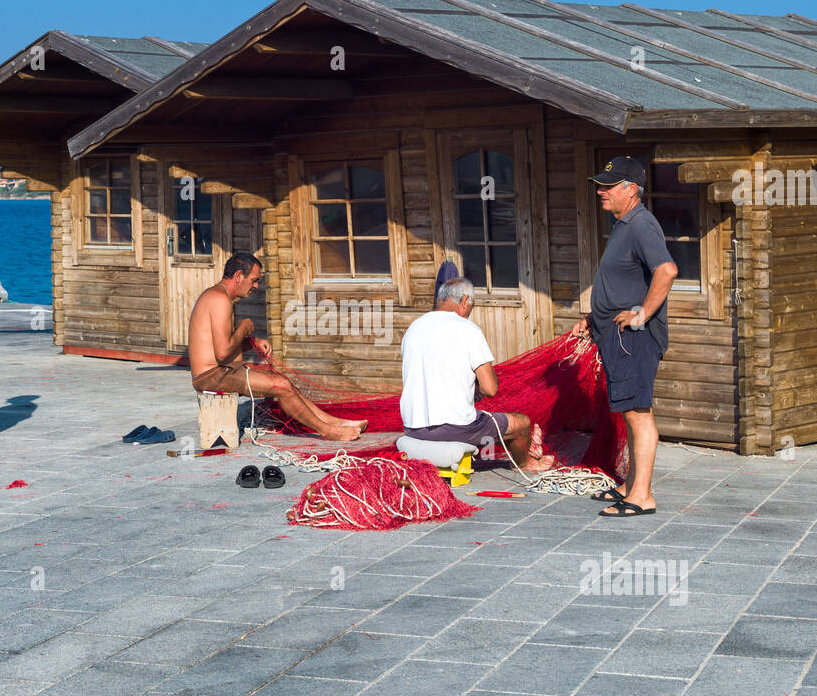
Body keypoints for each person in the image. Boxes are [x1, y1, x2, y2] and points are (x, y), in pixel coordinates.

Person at [574, 156, 678, 516]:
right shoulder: (623, 223)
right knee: (630, 414)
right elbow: (622, 281)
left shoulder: (641, 225)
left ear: (630, 190)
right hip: (616, 336)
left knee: (638, 414)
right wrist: (592, 317)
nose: (600, 192)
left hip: (634, 339)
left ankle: (642, 497)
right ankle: (630, 484)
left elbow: (666, 270)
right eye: (600, 185)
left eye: (609, 186)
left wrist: (642, 313)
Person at [187, 252, 366, 442]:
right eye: (254, 280)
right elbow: (223, 352)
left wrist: (252, 341)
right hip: (211, 377)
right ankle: (326, 431)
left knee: (282, 381)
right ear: (238, 276)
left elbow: (222, 347)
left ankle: (335, 423)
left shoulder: (219, 296)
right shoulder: (219, 299)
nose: (256, 286)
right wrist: (244, 327)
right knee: (280, 385)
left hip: (220, 371)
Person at [401, 278, 554, 473]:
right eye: (471, 305)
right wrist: (480, 385)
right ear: (464, 301)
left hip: (412, 427)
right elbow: (490, 389)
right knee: (520, 423)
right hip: (453, 428)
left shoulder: (414, 327)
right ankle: (525, 464)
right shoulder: (467, 329)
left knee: (485, 420)